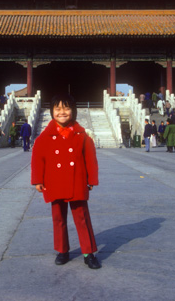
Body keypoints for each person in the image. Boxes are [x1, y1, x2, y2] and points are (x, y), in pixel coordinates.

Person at [31, 93, 101, 269]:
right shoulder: (44, 137)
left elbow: (90, 159)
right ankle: (62, 250)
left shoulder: (82, 135)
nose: (62, 112)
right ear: (52, 111)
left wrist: (91, 179)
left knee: (82, 217)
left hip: (77, 180)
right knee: (58, 218)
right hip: (54, 181)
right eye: (58, 109)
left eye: (66, 108)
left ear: (73, 111)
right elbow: (38, 159)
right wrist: (37, 180)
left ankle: (88, 252)